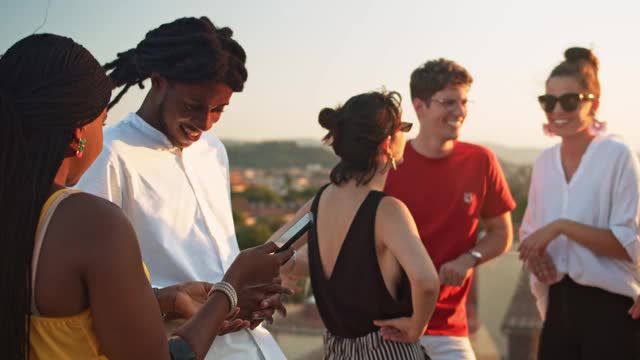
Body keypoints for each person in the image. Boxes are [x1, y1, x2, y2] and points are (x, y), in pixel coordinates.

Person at [0, 33, 292, 360]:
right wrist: (230, 286)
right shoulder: (93, 211)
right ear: (78, 134)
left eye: (219, 110)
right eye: (102, 120)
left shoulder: (213, 152)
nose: (205, 123)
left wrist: (166, 298)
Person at [274, 90, 440, 359]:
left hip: (336, 350)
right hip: (387, 350)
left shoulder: (319, 202)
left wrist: (291, 267)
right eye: (403, 128)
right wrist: (415, 327)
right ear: (387, 144)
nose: (407, 134)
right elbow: (427, 280)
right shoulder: (388, 210)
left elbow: (276, 248)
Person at [383, 59, 516, 359]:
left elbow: (501, 233)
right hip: (387, 324)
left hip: (449, 328)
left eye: (464, 102)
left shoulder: (481, 161)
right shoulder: (389, 165)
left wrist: (470, 258)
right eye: (448, 102)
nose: (460, 111)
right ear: (420, 106)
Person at [518, 47, 640, 358]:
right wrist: (535, 255)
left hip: (612, 313)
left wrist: (561, 227)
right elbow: (530, 237)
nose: (558, 109)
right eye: (549, 101)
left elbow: (628, 244)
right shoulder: (544, 163)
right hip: (558, 309)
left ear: (593, 104)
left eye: (569, 100)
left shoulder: (617, 155)